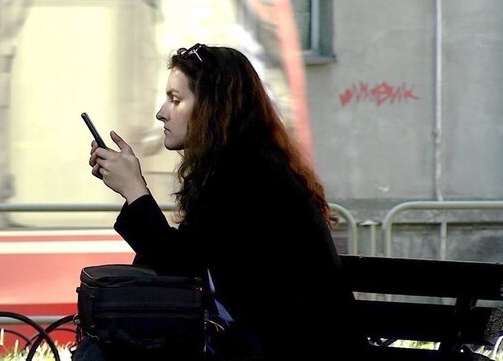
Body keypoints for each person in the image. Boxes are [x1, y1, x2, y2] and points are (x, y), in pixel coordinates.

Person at [79, 44, 367, 360]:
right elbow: (177, 263)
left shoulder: (246, 175)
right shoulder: (242, 164)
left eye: (175, 99)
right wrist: (133, 188)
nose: (162, 112)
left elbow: (177, 265)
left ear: (212, 108)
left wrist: (134, 189)